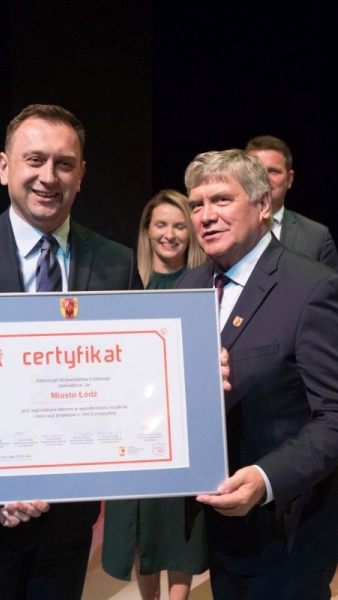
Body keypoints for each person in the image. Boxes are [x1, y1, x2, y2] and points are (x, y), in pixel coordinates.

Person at [0, 104, 142, 600]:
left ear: (81, 175)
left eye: (64, 164)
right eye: (35, 160)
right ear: (4, 167)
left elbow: (133, 375)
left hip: (70, 520)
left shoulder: (117, 264)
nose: (48, 176)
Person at [174, 149, 338, 599]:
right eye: (197, 204)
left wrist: (265, 479)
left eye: (221, 200)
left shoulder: (315, 288)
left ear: (263, 205)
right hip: (221, 522)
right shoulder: (189, 286)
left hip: (289, 528)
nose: (206, 215)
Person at [102, 189, 208, 600]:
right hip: (134, 424)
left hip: (185, 423)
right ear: (147, 230)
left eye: (180, 226)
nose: (170, 234)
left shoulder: (205, 285)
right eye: (161, 224)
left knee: (178, 521)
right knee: (141, 518)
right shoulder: (127, 285)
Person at [245, 135, 338, 272]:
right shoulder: (223, 230)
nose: (264, 178)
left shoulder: (317, 237)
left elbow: (332, 286)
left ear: (289, 179)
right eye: (257, 171)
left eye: (273, 171)